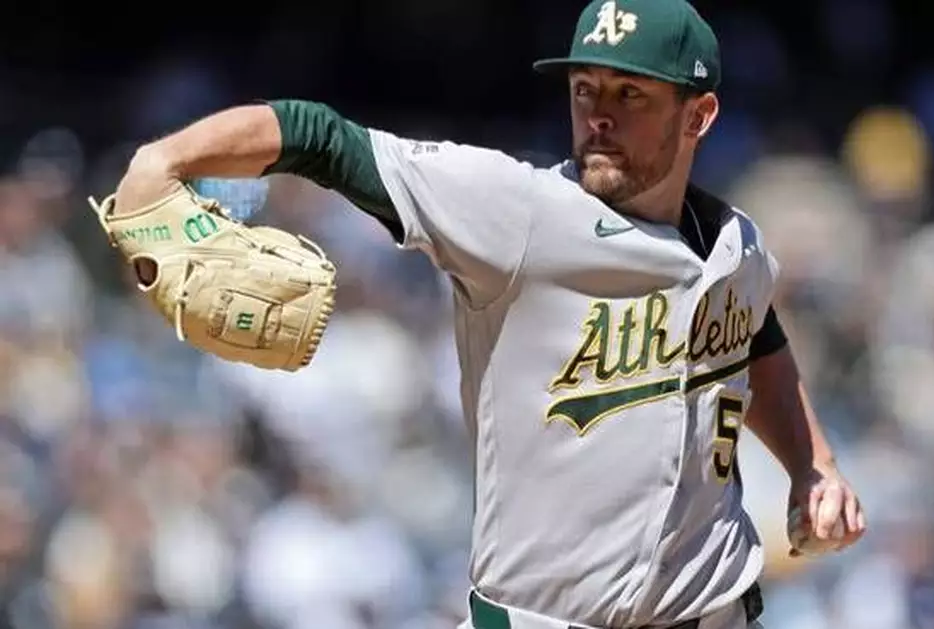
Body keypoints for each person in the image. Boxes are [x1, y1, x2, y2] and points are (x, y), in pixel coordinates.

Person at [107, 0, 867, 626]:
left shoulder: (738, 244)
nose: (598, 113)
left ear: (698, 115)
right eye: (585, 89)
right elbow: (320, 137)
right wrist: (162, 160)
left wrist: (814, 465)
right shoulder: (517, 210)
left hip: (715, 608)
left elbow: (756, 332)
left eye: (629, 94)